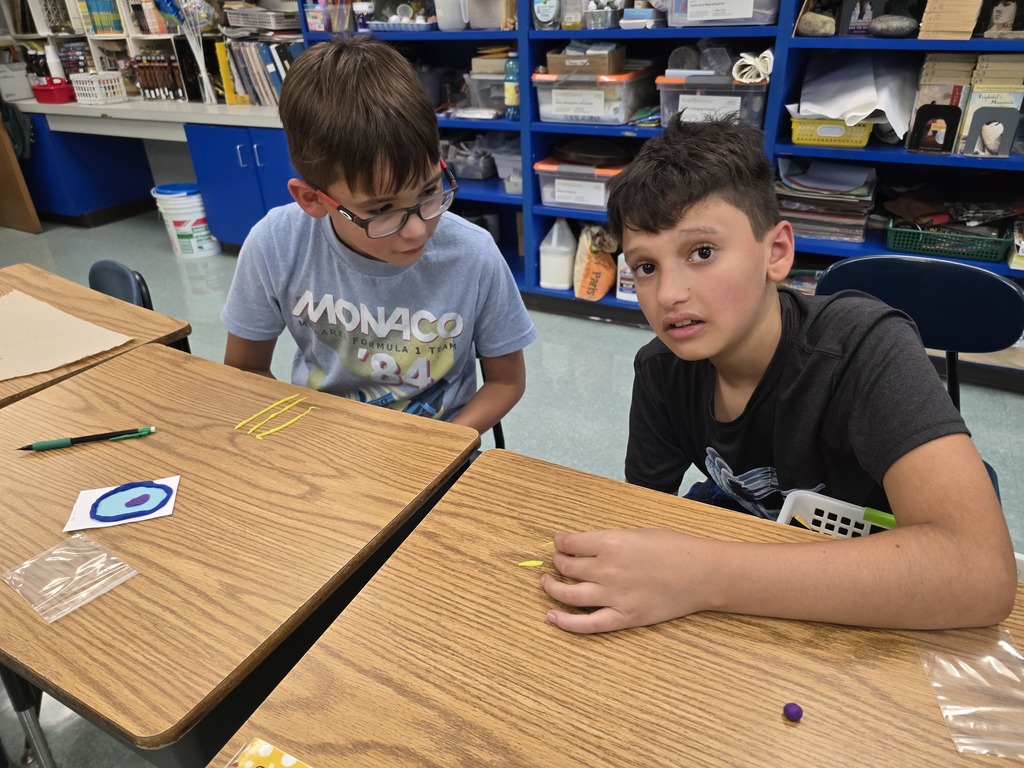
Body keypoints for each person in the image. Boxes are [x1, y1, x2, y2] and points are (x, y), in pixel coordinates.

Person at [540, 115, 1017, 634]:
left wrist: (707, 575)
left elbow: (979, 574)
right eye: (647, 267)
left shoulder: (863, 347)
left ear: (776, 252)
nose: (669, 294)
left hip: (885, 595)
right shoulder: (662, 369)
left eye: (702, 252)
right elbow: (645, 515)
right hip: (767, 564)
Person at [221, 35, 536, 434]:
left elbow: (506, 381)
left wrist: (444, 443)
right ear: (312, 200)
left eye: (428, 190)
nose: (418, 229)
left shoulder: (473, 254)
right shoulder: (275, 244)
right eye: (381, 210)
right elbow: (245, 369)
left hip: (439, 445)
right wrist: (313, 440)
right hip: (323, 442)